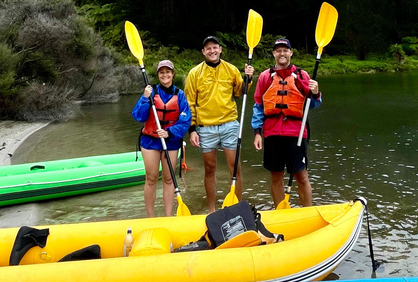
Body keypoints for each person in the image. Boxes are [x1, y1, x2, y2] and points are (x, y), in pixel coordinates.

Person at [185, 35, 254, 212]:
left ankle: (238, 207)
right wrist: (192, 130)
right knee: (210, 168)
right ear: (203, 52)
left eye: (215, 47)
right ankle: (211, 209)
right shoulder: (194, 73)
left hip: (229, 124)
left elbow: (240, 92)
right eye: (208, 48)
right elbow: (189, 103)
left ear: (220, 49)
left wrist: (248, 78)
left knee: (235, 168)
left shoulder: (231, 70)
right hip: (205, 128)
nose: (212, 51)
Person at [251, 38, 321, 207]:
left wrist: (316, 92)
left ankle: (308, 211)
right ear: (274, 53)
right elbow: (258, 106)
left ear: (290, 53)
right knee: (276, 175)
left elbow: (313, 104)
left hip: (296, 133)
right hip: (272, 133)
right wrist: (257, 133)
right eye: (278, 50)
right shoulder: (265, 77)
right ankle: (280, 212)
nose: (282, 53)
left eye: (285, 50)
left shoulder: (301, 75)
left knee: (301, 175)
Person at [131, 60, 191, 217]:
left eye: (168, 72)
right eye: (162, 72)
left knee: (168, 179)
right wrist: (145, 98)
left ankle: (168, 216)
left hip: (170, 141)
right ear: (158, 75)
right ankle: (150, 217)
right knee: (151, 179)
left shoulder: (180, 95)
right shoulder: (151, 92)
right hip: (150, 141)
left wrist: (169, 132)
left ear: (172, 74)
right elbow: (138, 115)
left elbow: (185, 120)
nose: (165, 75)